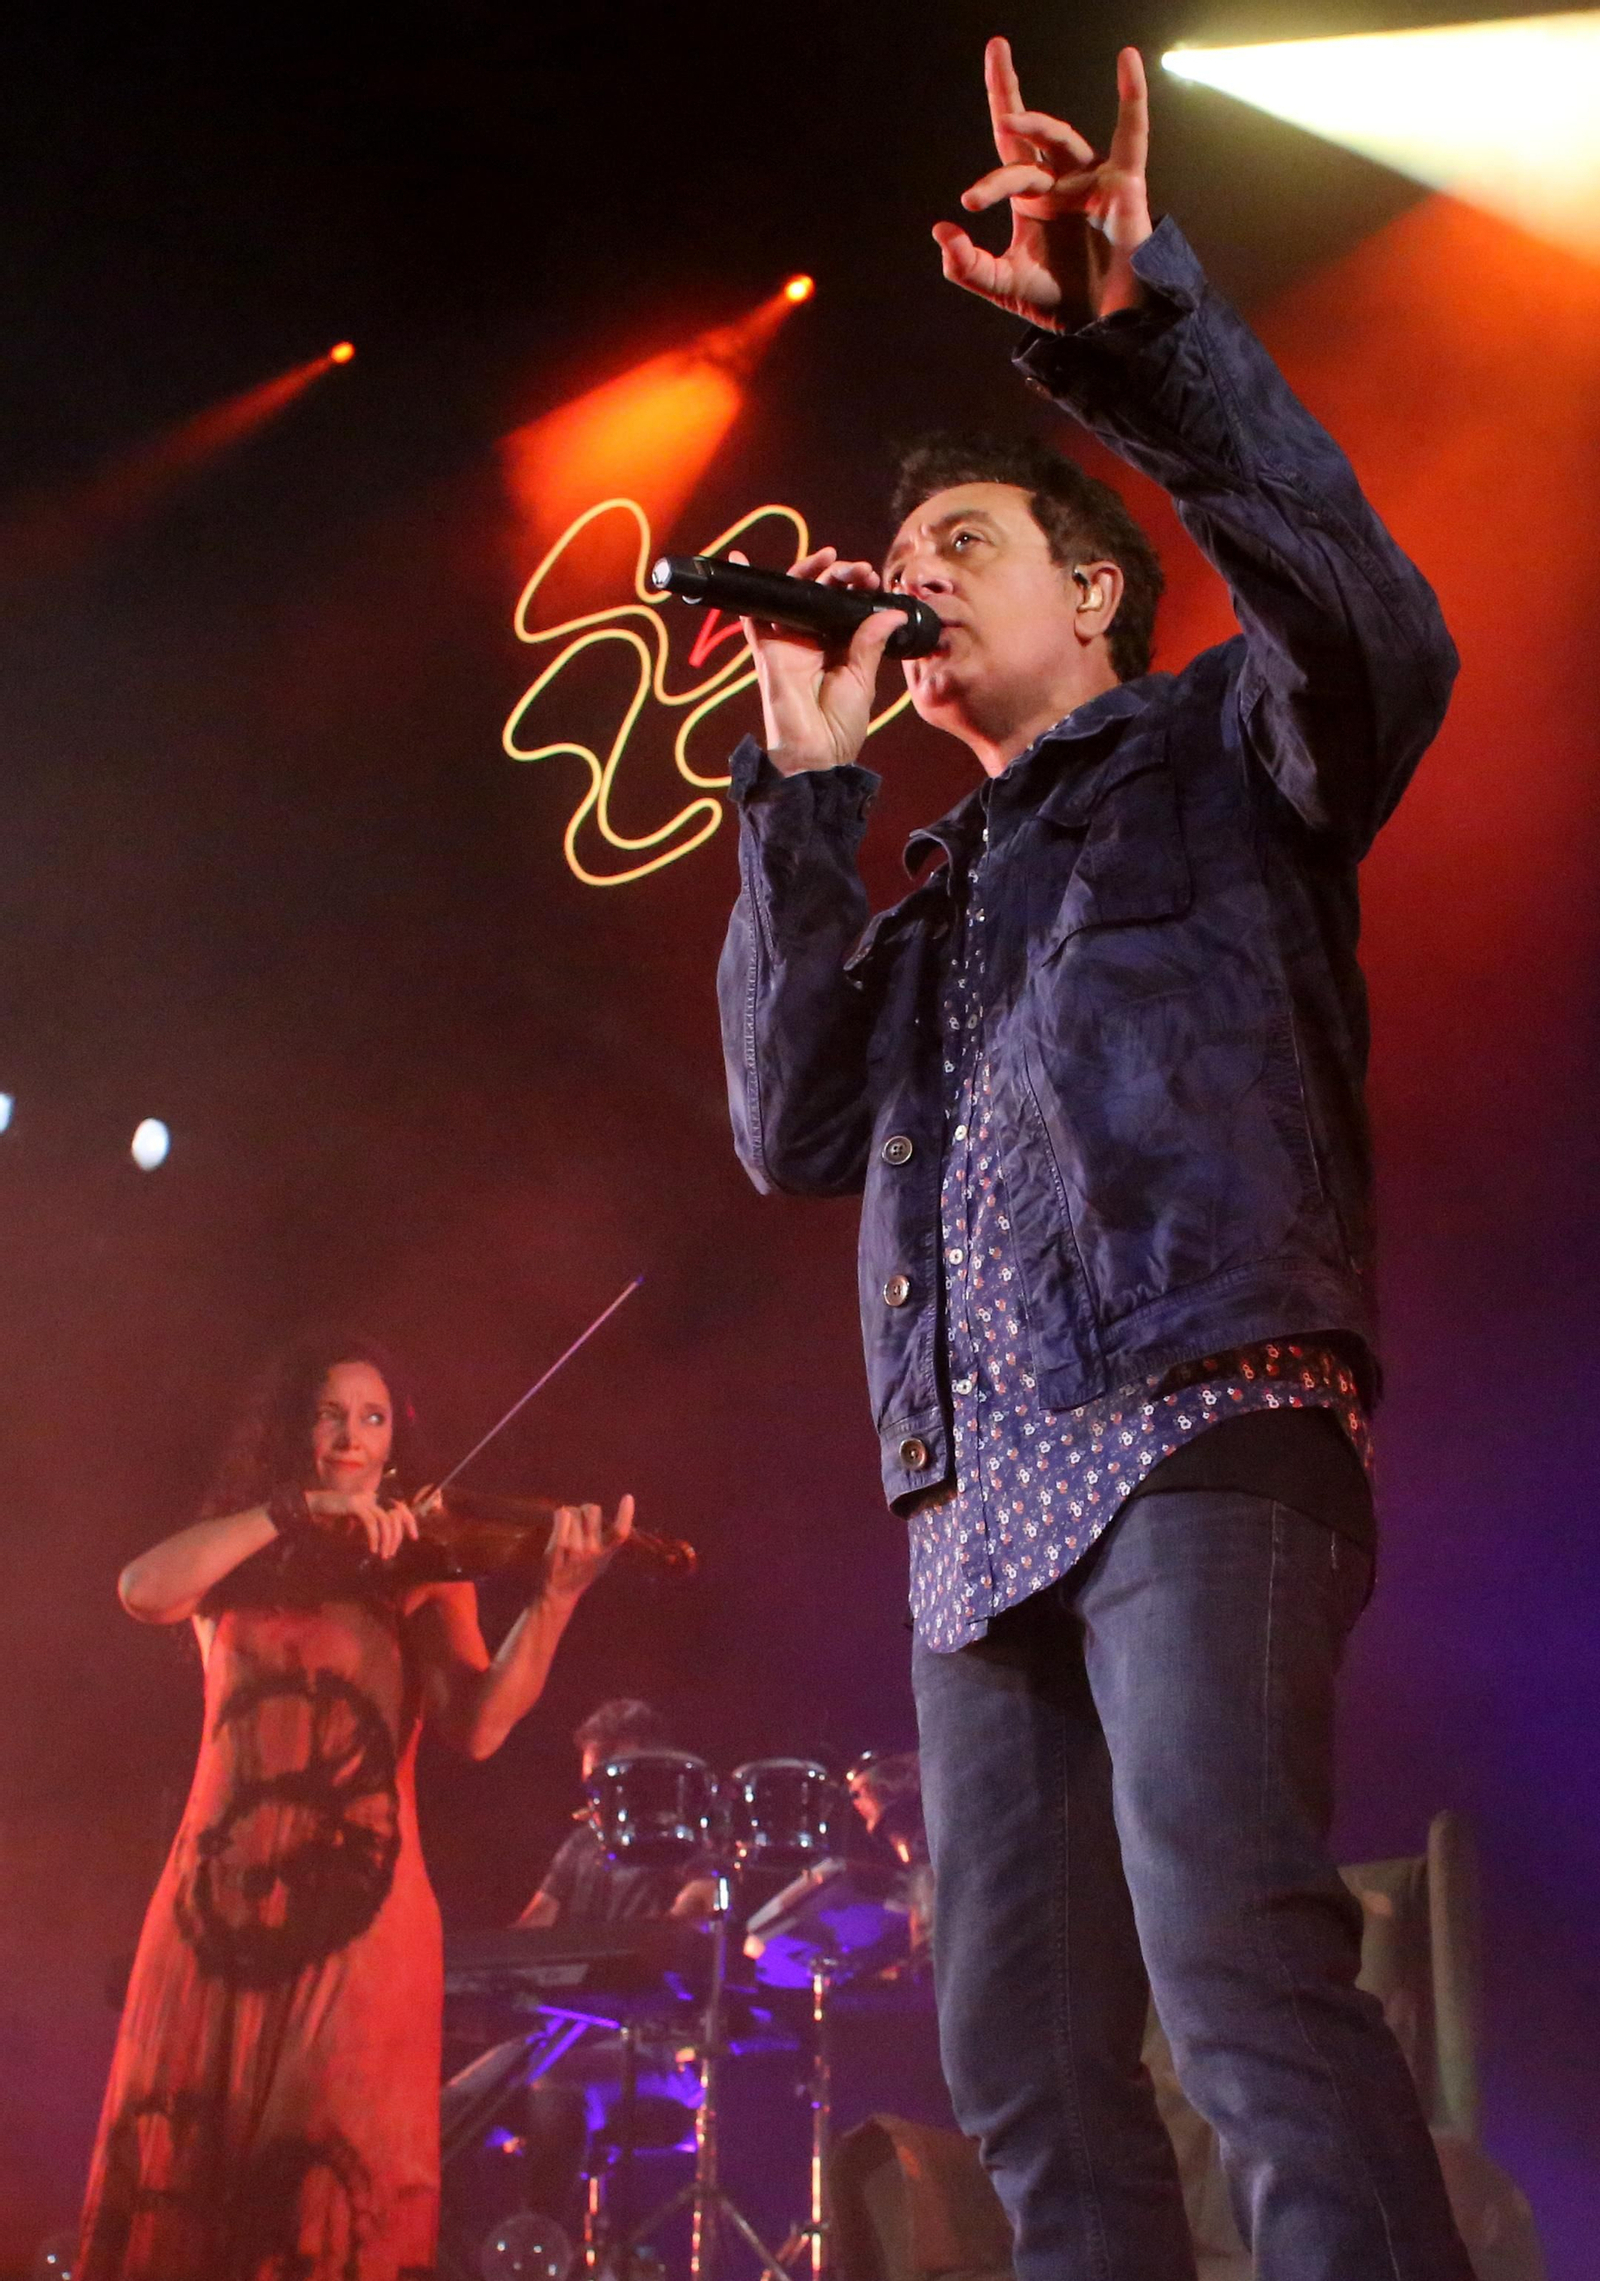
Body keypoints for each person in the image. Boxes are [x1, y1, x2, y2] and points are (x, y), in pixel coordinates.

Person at [718, 35, 1473, 2281]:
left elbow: (1379, 631)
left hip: (1195, 1428)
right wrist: (796, 805)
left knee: (1239, 1976)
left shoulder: (1218, 746)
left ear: (1094, 596)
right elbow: (786, 1126)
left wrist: (1133, 329)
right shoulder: (939, 883)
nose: (906, 576)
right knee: (1028, 2070)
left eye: (957, 545)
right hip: (974, 1516)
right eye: (894, 553)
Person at [77, 1332, 632, 2281]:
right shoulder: (241, 1556)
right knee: (190, 2171)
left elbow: (482, 1725)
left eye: (371, 1417)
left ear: (392, 1444)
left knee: (326, 2176)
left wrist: (556, 1600)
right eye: (330, 1413)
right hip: (212, 1908)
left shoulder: (419, 1565)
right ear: (295, 1434)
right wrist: (296, 1512)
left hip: (362, 1915)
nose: (349, 1435)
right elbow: (142, 1589)